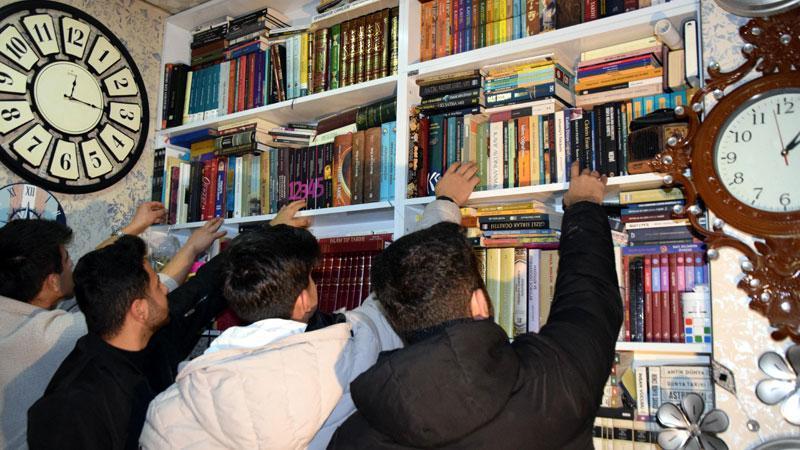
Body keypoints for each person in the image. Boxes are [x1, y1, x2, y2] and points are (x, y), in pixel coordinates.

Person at [139, 162, 481, 450]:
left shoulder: (166, 409)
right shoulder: (350, 353)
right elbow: (411, 284)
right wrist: (445, 202)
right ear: (305, 299)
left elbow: (196, 291)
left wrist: (267, 238)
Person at [327, 163, 623, 449]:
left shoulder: (353, 437)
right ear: (479, 303)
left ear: (395, 320)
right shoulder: (556, 382)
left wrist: (444, 203)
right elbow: (589, 297)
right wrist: (584, 204)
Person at [25, 201, 308, 450]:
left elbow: (203, 286)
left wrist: (269, 232)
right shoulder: (73, 405)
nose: (165, 287)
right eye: (156, 284)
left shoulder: (153, 335)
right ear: (139, 309)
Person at [0, 202, 219, 449]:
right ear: (52, 282)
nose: (72, 264)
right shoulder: (53, 336)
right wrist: (191, 248)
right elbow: (139, 294)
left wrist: (134, 227)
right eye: (67, 258)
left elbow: (91, 271)